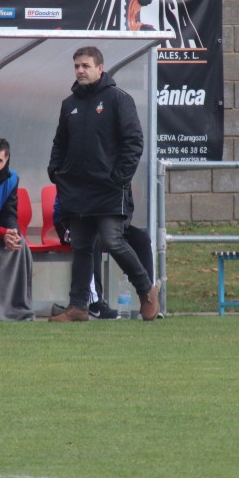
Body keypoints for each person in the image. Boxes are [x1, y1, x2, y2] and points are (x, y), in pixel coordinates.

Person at [47, 45, 159, 322]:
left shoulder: (118, 98)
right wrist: (56, 171)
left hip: (109, 188)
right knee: (82, 246)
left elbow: (134, 142)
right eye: (76, 66)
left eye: (85, 65)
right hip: (77, 190)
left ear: (100, 68)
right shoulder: (69, 104)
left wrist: (119, 177)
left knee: (113, 240)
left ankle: (146, 290)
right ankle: (79, 307)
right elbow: (60, 143)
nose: (80, 71)